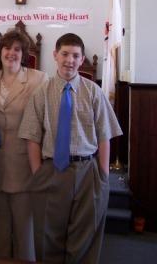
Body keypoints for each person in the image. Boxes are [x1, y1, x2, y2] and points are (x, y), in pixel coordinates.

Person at [19, 33, 123, 264]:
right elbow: (32, 137)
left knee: (85, 237)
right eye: (65, 54)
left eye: (75, 55)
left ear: (82, 58)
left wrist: (103, 176)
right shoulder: (41, 93)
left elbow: (105, 135)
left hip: (87, 171)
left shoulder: (93, 92)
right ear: (55, 55)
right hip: (51, 170)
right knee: (48, 236)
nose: (70, 60)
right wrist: (38, 174)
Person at [0, 29, 47, 261]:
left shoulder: (38, 79)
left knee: (23, 229)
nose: (11, 53)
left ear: (25, 53)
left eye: (17, 49)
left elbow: (44, 123)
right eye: (7, 48)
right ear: (0, 52)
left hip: (24, 163)